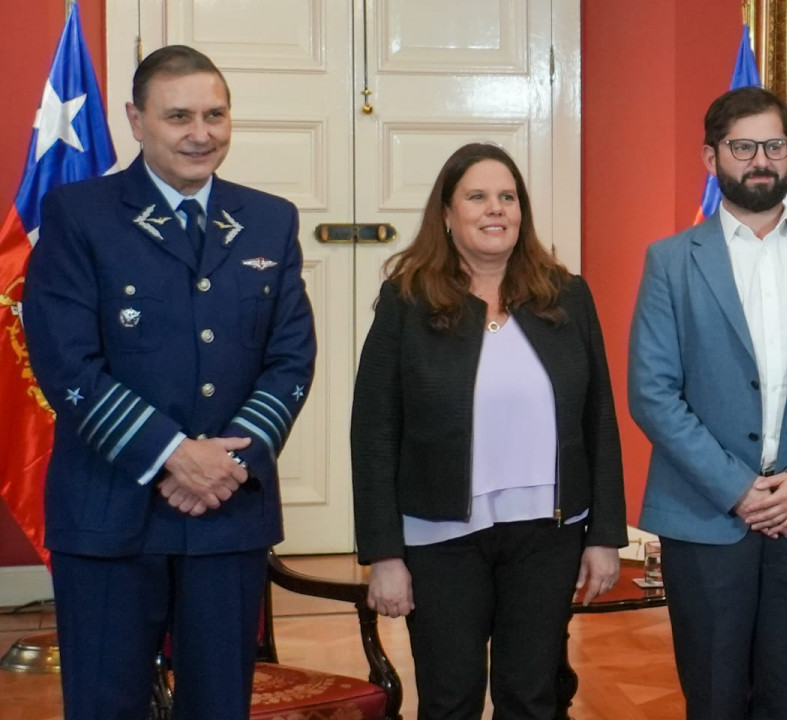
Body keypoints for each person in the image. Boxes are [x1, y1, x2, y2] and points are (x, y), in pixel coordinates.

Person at [22, 45, 317, 719]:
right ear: (136, 119)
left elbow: (291, 357)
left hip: (227, 513)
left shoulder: (269, 219)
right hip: (108, 514)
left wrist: (226, 464)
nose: (201, 133)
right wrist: (175, 457)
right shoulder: (78, 215)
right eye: (179, 115)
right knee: (104, 704)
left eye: (215, 114)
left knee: (220, 706)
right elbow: (66, 362)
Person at [628, 86, 787, 720]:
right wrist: (739, 489)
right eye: (742, 146)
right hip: (705, 515)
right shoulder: (670, 262)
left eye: (773, 145)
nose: (760, 160)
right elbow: (652, 392)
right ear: (710, 157)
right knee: (714, 694)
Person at [350, 142, 627, 719]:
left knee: (531, 696)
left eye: (507, 197)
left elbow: (599, 418)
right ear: (447, 214)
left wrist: (604, 535)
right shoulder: (407, 301)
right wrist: (383, 553)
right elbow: (374, 429)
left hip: (547, 534)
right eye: (477, 197)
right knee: (450, 699)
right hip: (439, 535)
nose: (495, 209)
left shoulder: (567, 296)